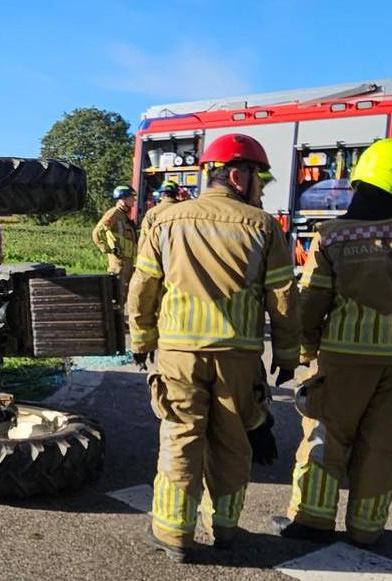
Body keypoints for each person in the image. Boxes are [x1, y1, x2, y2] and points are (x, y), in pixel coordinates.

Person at [128, 133, 300, 561]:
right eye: (259, 178)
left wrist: (142, 337)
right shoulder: (263, 227)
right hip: (238, 358)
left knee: (181, 436)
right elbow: (284, 298)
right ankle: (225, 529)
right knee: (231, 442)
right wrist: (286, 354)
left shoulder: (165, 220)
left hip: (178, 356)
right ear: (239, 176)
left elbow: (144, 285)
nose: (261, 188)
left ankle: (173, 535)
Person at [272, 138, 392, 547]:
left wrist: (304, 348)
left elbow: (312, 302)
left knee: (326, 434)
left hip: (345, 357)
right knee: (382, 446)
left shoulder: (334, 236)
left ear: (361, 186)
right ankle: (367, 529)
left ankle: (312, 521)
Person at [92, 186, 138, 304]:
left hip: (128, 260)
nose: (134, 200)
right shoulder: (113, 214)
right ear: (123, 199)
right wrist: (107, 249)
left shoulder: (124, 215)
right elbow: (97, 232)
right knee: (117, 291)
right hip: (118, 262)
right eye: (131, 197)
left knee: (125, 292)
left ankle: (121, 319)